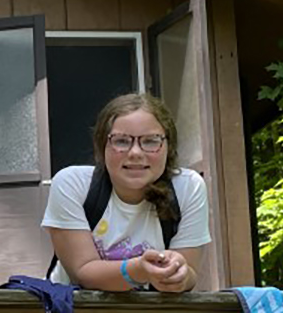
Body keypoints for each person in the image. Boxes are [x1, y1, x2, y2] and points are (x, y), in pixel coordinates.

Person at [42, 93, 209, 292]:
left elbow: (189, 274)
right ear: (102, 145)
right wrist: (139, 270)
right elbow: (83, 273)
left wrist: (179, 274)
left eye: (150, 141)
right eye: (121, 141)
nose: (136, 153)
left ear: (168, 146)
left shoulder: (188, 187)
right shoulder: (72, 184)